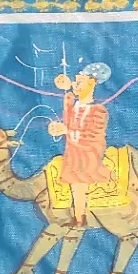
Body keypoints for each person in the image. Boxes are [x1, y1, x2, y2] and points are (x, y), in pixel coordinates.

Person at [48, 62, 112, 226]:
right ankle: (78, 217)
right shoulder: (72, 105)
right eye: (76, 81)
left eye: (80, 82)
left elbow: (94, 136)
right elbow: (67, 121)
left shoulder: (99, 111)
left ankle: (80, 217)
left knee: (79, 184)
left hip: (87, 153)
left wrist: (67, 131)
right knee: (75, 185)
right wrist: (57, 129)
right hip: (73, 152)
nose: (76, 84)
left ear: (92, 83)